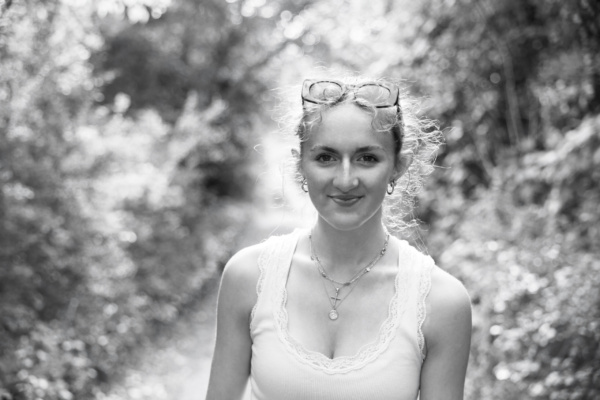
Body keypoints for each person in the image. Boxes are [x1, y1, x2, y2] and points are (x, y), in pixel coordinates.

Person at [206, 77, 472, 400]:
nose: (345, 180)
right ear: (300, 165)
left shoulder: (441, 302)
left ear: (398, 166)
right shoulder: (248, 277)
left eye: (367, 158)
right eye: (326, 158)